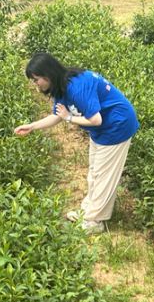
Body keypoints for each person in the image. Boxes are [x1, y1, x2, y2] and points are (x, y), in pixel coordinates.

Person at [14, 52, 139, 234]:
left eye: (36, 80)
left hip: (117, 126)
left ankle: (95, 221)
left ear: (47, 75)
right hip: (102, 130)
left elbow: (95, 119)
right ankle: (88, 211)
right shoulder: (62, 86)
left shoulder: (77, 88)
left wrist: (69, 118)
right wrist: (32, 126)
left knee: (104, 176)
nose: (35, 84)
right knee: (94, 171)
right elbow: (57, 115)